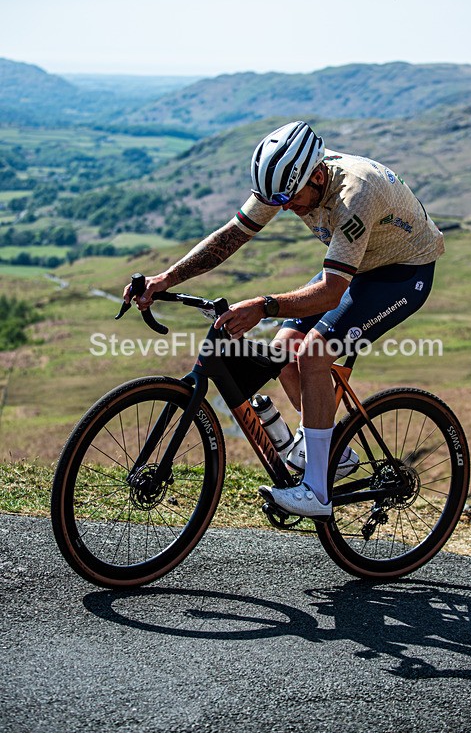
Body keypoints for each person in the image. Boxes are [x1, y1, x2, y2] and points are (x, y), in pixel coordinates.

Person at [124, 121, 444, 518]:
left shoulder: (355, 193)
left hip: (403, 272)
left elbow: (331, 292)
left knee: (314, 354)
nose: (285, 207)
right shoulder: (286, 183)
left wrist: (262, 305)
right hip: (361, 264)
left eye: (290, 199)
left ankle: (317, 492)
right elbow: (230, 237)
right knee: (283, 351)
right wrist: (165, 279)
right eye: (278, 201)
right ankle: (335, 452)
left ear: (318, 176)